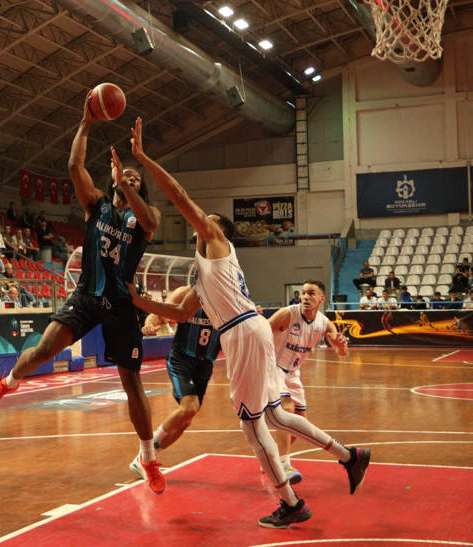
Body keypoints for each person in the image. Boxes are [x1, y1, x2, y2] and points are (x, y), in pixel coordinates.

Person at [123, 115, 370, 528]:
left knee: (252, 426)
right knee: (273, 417)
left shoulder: (218, 244)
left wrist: (144, 158)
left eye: (210, 219)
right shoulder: (205, 273)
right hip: (243, 334)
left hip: (243, 333)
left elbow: (180, 196)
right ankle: (349, 455)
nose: (203, 220)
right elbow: (183, 314)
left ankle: (291, 503)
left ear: (219, 230)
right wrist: (138, 300)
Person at [0, 94, 167, 495]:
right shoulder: (97, 207)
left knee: (131, 383)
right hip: (86, 296)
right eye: (125, 176)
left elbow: (149, 216)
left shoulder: (146, 220)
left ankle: (148, 458)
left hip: (120, 306)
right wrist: (85, 122)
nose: (130, 179)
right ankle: (8, 382)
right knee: (46, 348)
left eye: (136, 178)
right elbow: (73, 166)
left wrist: (125, 184)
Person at [127, 284, 220, 474]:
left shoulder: (226, 299)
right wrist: (149, 322)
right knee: (189, 407)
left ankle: (144, 458)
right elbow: (159, 311)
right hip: (182, 358)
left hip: (205, 364)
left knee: (186, 420)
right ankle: (146, 457)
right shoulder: (186, 293)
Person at [267, 280, 348, 485]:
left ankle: (272, 458)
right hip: (273, 367)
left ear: (321, 298)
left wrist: (341, 346)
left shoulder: (323, 322)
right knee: (286, 409)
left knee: (301, 422)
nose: (305, 297)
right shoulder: (288, 313)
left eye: (311, 293)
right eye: (303, 293)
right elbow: (261, 332)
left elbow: (341, 353)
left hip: (293, 373)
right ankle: (284, 465)